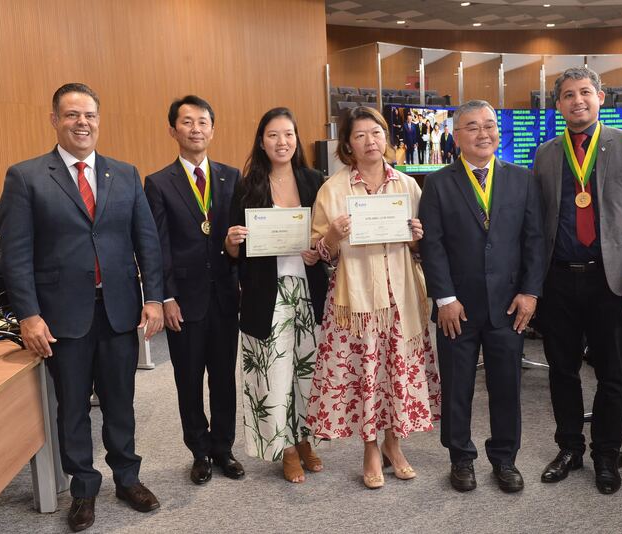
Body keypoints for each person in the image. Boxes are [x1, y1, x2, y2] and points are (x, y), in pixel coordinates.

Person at [0, 83, 164, 532]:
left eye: (89, 114)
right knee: (72, 406)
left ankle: (128, 478)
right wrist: (28, 314)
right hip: (61, 315)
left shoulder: (124, 174)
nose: (82, 123)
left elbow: (146, 242)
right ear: (55, 120)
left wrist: (153, 297)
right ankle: (84, 489)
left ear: (98, 120)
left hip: (118, 308)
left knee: (120, 401)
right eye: (72, 115)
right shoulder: (27, 177)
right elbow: (16, 254)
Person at [532, 67, 622, 495]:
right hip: (558, 281)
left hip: (612, 281)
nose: (577, 101)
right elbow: (538, 223)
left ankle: (606, 453)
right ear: (558, 105)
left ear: (600, 97)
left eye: (585, 92)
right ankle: (569, 448)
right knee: (562, 371)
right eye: (568, 95)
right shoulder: (546, 154)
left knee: (612, 373)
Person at [305, 106, 440, 490]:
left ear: (386, 138)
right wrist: (333, 235)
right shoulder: (333, 189)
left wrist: (416, 238)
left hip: (401, 297)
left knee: (397, 373)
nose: (370, 141)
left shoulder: (408, 186)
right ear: (348, 144)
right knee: (366, 375)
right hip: (357, 300)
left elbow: (422, 250)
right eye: (360, 135)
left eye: (376, 133)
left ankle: (393, 445)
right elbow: (319, 254)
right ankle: (369, 448)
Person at [419, 100, 545, 494]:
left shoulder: (522, 179)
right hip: (457, 308)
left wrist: (530, 292)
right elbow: (432, 246)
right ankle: (460, 458)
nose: (483, 133)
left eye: (489, 125)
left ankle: (505, 459)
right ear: (457, 137)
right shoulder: (438, 183)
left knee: (506, 387)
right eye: (472, 127)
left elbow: (534, 241)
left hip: (509, 306)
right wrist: (444, 299)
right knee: (457, 387)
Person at [144, 95, 244, 486]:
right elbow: (157, 246)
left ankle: (224, 448)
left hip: (224, 295)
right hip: (183, 301)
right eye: (187, 122)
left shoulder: (231, 177)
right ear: (173, 130)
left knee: (224, 378)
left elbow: (241, 238)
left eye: (203, 122)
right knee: (188, 379)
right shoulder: (158, 183)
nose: (196, 129)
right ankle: (199, 452)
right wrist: (165, 297)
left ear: (212, 130)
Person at [225, 107, 329, 483]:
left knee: (308, 372)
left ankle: (304, 440)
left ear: (296, 139)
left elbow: (326, 238)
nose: (282, 142)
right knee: (273, 375)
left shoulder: (314, 181)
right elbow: (232, 251)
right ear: (261, 141)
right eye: (273, 135)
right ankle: (284, 449)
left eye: (288, 134)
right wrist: (232, 241)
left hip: (308, 291)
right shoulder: (247, 185)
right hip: (265, 294)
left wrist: (318, 251)